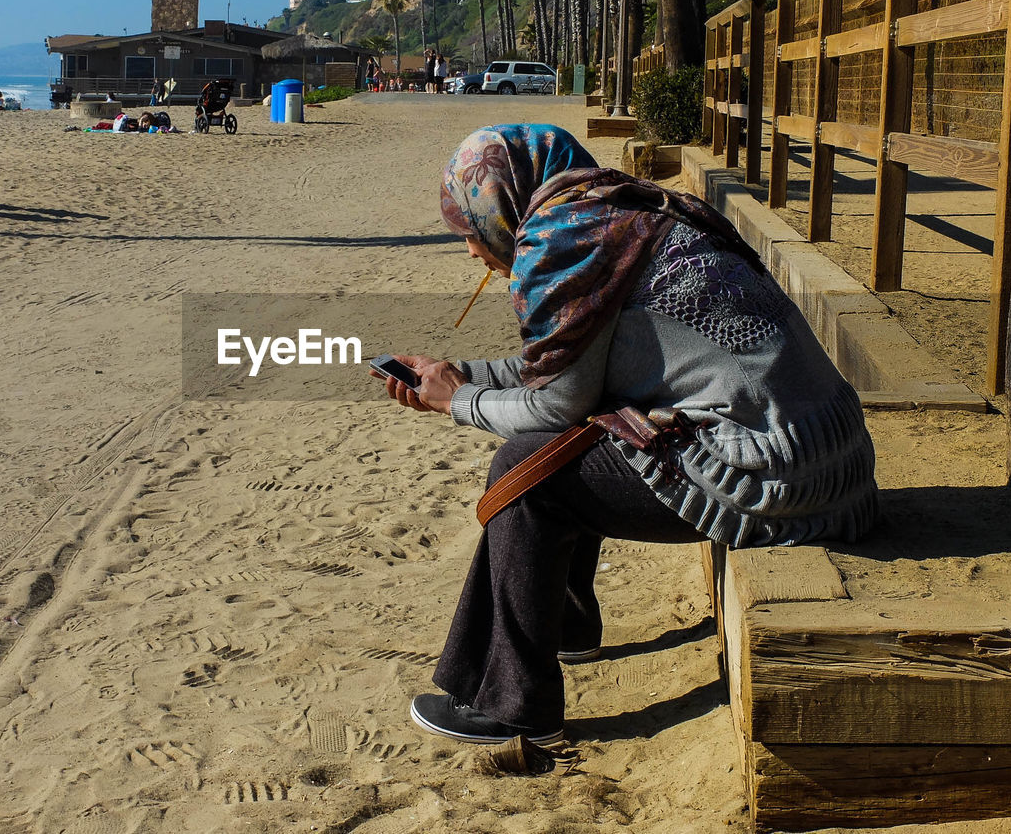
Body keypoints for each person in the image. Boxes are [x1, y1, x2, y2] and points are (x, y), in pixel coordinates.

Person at [373, 124, 878, 747]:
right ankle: (566, 626)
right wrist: (459, 377)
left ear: (498, 207)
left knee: (523, 473)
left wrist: (460, 404)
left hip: (775, 471)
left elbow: (559, 404)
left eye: (470, 234)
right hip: (831, 452)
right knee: (578, 438)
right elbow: (574, 373)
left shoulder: (561, 244)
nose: (474, 252)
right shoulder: (617, 212)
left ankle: (512, 704)